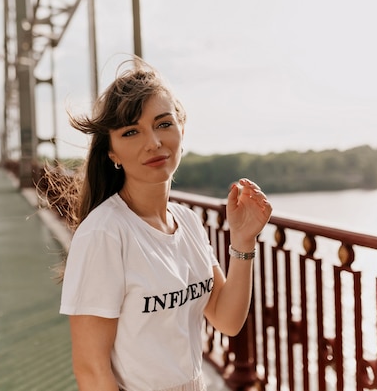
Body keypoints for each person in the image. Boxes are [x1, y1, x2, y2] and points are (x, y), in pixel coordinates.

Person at [50, 58, 272, 391]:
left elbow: (227, 320)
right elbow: (91, 370)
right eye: (131, 131)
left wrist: (242, 242)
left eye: (163, 124)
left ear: (182, 126)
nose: (153, 142)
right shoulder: (104, 234)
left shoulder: (187, 221)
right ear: (112, 152)